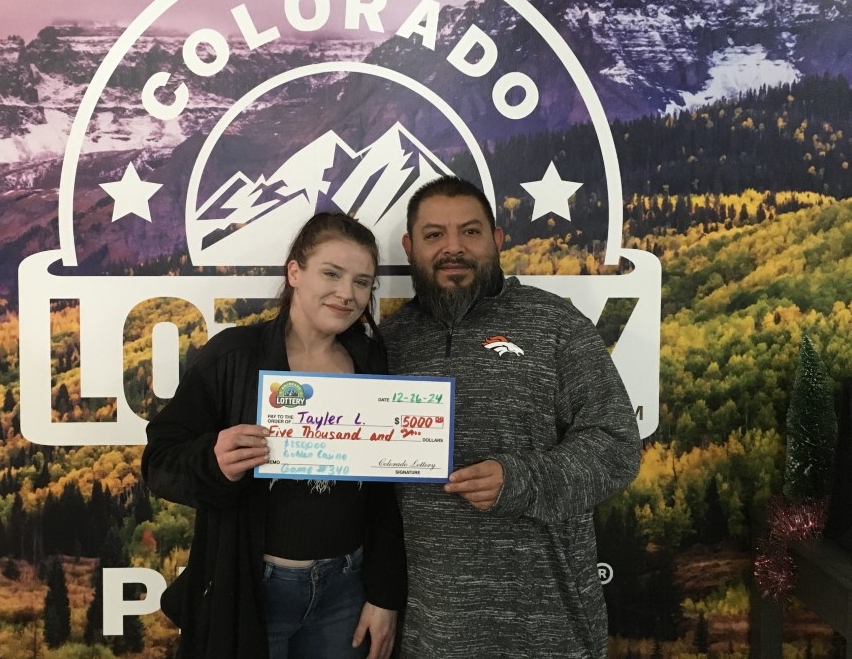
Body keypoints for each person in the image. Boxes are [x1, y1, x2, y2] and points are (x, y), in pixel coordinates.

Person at [381, 176, 642, 659]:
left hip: (548, 633)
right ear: (409, 247)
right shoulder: (387, 342)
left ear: (498, 240)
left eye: (471, 232)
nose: (452, 248)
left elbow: (617, 445)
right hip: (427, 637)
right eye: (434, 235)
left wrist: (521, 479)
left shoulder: (555, 325)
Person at [142, 212, 406, 659]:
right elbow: (160, 461)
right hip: (252, 588)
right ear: (294, 272)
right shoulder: (233, 356)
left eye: (362, 282)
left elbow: (384, 495)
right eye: (331, 273)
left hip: (345, 588)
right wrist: (213, 461)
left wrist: (384, 594)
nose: (347, 293)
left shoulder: (372, 361)